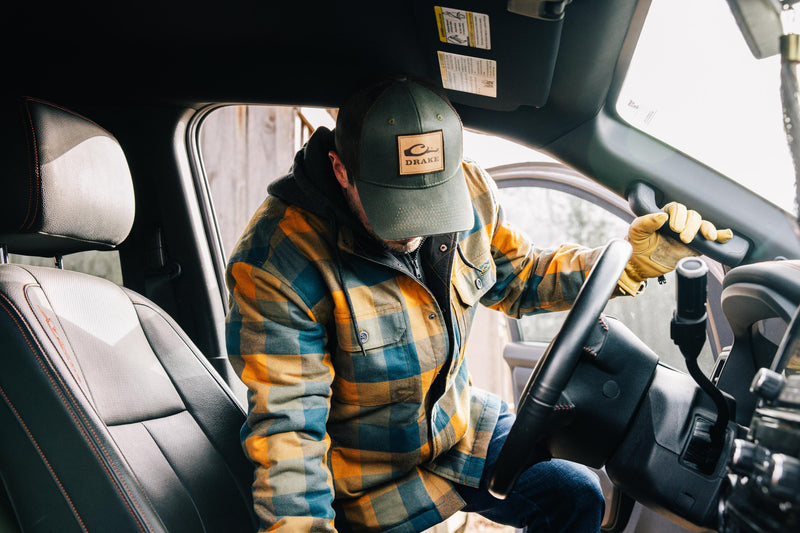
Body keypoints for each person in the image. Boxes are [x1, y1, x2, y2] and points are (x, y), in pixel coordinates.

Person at [225, 75, 732, 533]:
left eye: (431, 203)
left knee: (575, 493)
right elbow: (289, 430)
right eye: (398, 209)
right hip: (369, 484)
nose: (417, 230)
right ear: (341, 170)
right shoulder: (277, 262)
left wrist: (629, 263)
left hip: (460, 435)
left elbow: (521, 277)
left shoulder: (469, 190)